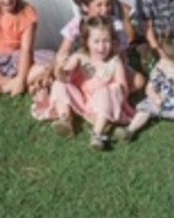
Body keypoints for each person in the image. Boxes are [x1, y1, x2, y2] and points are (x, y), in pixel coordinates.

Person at [47, 16, 134, 150]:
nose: (101, 47)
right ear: (87, 42)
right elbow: (64, 77)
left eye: (106, 41)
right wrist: (60, 67)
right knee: (59, 84)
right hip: (84, 102)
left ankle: (97, 133)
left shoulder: (115, 62)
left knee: (111, 89)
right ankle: (66, 119)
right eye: (96, 41)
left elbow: (124, 90)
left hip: (105, 108)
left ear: (112, 41)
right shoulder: (80, 57)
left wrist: (107, 88)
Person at [118, 30, 174, 155]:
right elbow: (150, 87)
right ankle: (130, 129)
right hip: (164, 97)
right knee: (145, 109)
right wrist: (155, 98)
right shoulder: (162, 67)